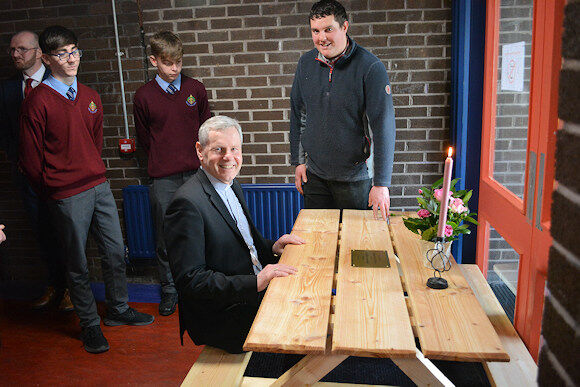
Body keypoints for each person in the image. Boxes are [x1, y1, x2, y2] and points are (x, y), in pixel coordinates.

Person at [19, 25, 154, 354]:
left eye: (74, 51)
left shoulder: (91, 97)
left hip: (98, 185)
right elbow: (30, 159)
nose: (70, 59)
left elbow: (93, 144)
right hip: (65, 195)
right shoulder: (36, 102)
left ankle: (118, 310)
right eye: (62, 53)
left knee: (114, 251)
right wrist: (54, 188)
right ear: (48, 59)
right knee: (78, 263)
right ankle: (90, 324)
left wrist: (92, 171)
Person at [164, 116, 305, 354]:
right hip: (224, 315)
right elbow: (191, 281)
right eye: (218, 149)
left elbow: (243, 244)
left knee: (310, 291)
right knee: (303, 322)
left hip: (245, 293)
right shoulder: (186, 203)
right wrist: (256, 282)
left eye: (234, 149)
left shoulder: (231, 184)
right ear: (200, 151)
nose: (228, 157)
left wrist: (272, 247)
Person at [289, 0, 396, 221]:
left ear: (344, 27)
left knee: (356, 245)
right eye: (316, 31)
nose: (321, 38)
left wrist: (381, 184)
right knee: (318, 243)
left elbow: (383, 126)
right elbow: (298, 114)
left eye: (329, 29)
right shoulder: (305, 64)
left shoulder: (370, 67)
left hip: (356, 179)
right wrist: (299, 161)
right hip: (315, 176)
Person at [133, 30, 211, 317]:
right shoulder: (143, 97)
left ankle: (202, 286)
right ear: (154, 60)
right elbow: (144, 138)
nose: (175, 68)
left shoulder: (196, 89)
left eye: (178, 62)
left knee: (200, 230)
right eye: (168, 63)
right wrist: (164, 157)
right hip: (163, 178)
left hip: (196, 175)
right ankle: (169, 289)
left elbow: (207, 131)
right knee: (166, 236)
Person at [0, 30, 72, 311]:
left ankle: (72, 290)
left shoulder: (60, 81)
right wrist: (17, 158)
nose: (16, 55)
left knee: (67, 233)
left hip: (60, 176)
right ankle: (54, 284)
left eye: (22, 50)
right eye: (12, 50)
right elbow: (5, 132)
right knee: (42, 233)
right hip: (27, 177)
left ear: (39, 53)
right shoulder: (6, 89)